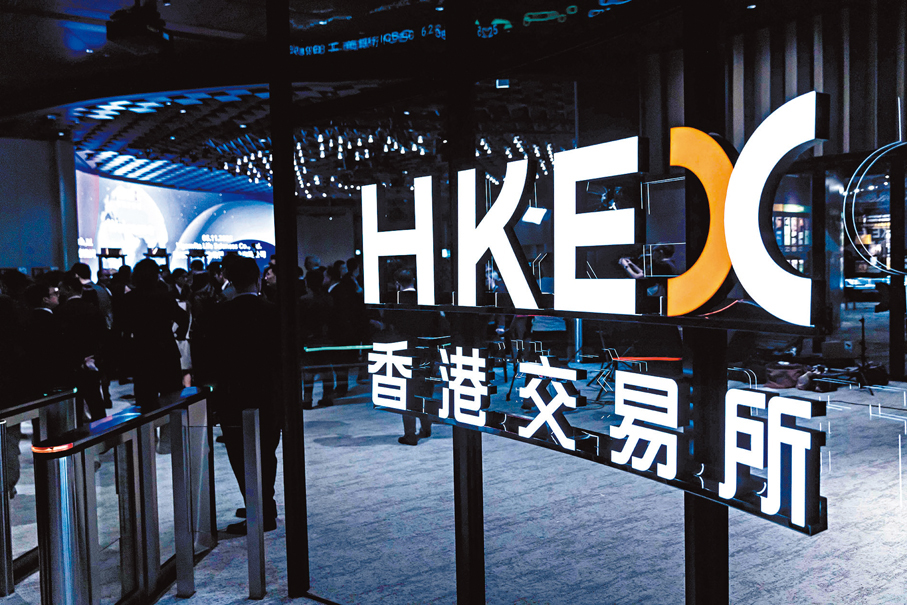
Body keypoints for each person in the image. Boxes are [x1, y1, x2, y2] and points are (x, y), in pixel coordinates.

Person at [209, 256, 280, 533]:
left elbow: (213, 361)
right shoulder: (274, 311)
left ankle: (259, 511)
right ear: (258, 279)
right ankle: (264, 505)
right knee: (267, 453)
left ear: (230, 281)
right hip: (269, 394)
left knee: (242, 456)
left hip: (234, 396)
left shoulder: (220, 314)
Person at [118, 259, 188, 407]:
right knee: (172, 401)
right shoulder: (164, 296)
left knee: (146, 401)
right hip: (166, 350)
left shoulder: (129, 299)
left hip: (142, 352)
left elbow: (122, 327)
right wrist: (179, 334)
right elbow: (183, 317)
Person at [56, 275, 108, 422]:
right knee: (95, 398)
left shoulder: (61, 311)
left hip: (70, 363)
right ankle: (102, 429)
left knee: (75, 402)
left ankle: (78, 429)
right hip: (91, 360)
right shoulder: (93, 309)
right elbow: (103, 336)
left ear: (68, 289)